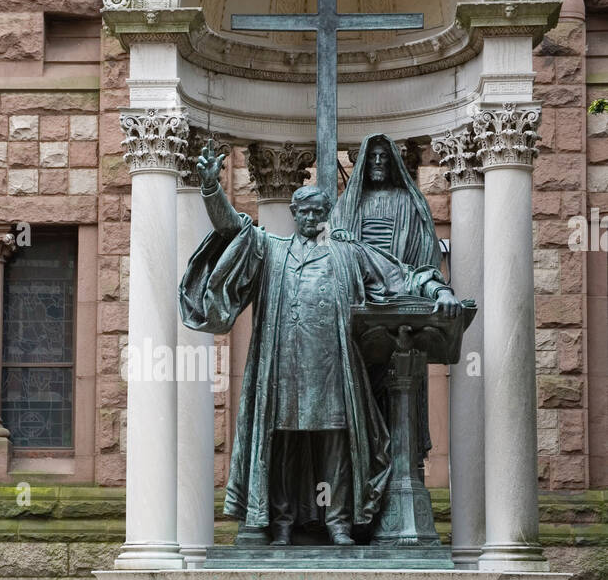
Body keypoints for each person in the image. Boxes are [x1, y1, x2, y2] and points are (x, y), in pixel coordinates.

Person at [179, 143, 460, 545]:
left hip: (335, 369)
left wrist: (439, 289)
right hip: (282, 369)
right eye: (304, 212)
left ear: (326, 215)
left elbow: (402, 275)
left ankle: (339, 521)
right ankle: (279, 522)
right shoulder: (270, 249)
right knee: (284, 447)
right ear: (293, 215)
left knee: (336, 445)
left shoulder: (348, 254)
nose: (310, 218)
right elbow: (232, 230)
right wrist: (211, 189)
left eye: (317, 212)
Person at [331, 134, 444, 466]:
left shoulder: (408, 202)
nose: (378, 162)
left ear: (392, 162)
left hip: (401, 309)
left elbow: (425, 254)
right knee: (359, 402)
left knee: (402, 399)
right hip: (360, 313)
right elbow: (336, 254)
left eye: (384, 157)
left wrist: (425, 286)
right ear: (364, 163)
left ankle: (404, 472)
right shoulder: (349, 205)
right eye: (373, 157)